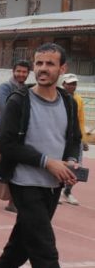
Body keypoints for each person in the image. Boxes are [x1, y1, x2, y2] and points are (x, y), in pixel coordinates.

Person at [0, 43, 91, 268]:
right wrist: (46, 162)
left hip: (53, 186)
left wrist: (70, 161)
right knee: (44, 247)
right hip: (25, 182)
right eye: (39, 63)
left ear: (62, 68)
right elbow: (6, 144)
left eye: (50, 64)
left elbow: (73, 138)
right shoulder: (19, 101)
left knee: (23, 242)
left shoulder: (68, 101)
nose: (43, 69)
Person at [0, 59, 32, 212]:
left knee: (12, 164)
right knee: (8, 163)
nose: (21, 74)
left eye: (24, 72)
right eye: (19, 71)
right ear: (13, 71)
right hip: (5, 132)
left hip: (21, 133)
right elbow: (5, 108)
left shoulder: (27, 89)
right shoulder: (5, 87)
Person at [61, 73, 88, 206]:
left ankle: (67, 191)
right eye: (70, 83)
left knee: (77, 166)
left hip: (75, 138)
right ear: (63, 84)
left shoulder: (78, 99)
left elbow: (81, 120)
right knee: (61, 164)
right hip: (62, 137)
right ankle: (56, 190)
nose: (72, 86)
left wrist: (83, 138)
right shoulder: (58, 97)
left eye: (74, 84)